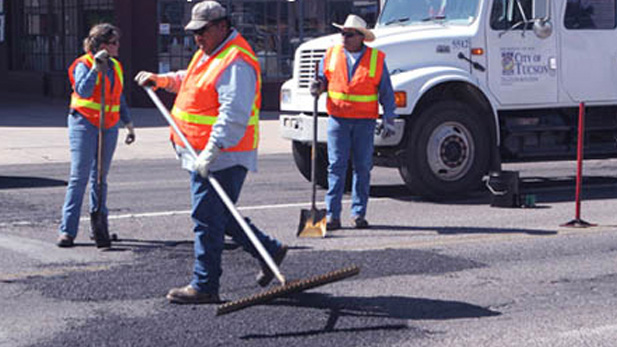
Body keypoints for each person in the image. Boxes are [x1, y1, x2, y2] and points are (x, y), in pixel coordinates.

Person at [134, 0, 287, 304]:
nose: (197, 38)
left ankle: (204, 285)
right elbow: (191, 83)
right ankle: (269, 249)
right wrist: (162, 80)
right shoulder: (210, 53)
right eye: (194, 32)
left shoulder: (236, 61)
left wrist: (212, 151)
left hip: (223, 155)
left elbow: (234, 114)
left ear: (221, 26)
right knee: (222, 215)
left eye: (202, 31)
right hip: (202, 152)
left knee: (206, 217)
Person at [310, 14, 397, 231]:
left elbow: (386, 91)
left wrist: (389, 118)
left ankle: (358, 214)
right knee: (336, 167)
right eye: (342, 33)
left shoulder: (376, 59)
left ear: (360, 37)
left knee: (362, 168)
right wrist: (317, 87)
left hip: (364, 122)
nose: (344, 37)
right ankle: (332, 216)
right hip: (338, 119)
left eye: (348, 34)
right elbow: (323, 81)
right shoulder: (331, 55)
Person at [57, 23, 135, 248]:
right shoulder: (84, 64)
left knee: (100, 178)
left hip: (109, 126)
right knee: (79, 177)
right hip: (84, 123)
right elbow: (82, 90)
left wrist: (128, 123)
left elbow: (119, 97)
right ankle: (67, 231)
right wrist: (95, 69)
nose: (118, 46)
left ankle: (99, 227)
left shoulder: (116, 67)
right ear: (102, 46)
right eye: (114, 43)